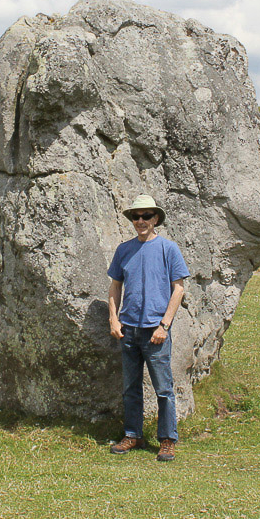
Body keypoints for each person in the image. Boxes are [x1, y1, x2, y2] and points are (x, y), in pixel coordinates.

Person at [107, 194, 189, 462]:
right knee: (130, 386)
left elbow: (179, 289)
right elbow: (115, 286)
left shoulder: (169, 249)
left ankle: (167, 440)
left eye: (146, 216)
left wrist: (164, 325)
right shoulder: (124, 250)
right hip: (129, 329)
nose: (140, 221)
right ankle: (133, 434)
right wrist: (113, 319)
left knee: (163, 388)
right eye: (136, 216)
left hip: (156, 331)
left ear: (156, 219)